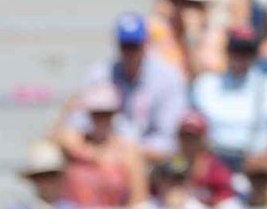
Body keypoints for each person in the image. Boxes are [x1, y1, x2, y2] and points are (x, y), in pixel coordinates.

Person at [63, 13, 190, 162]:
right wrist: (98, 154)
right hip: (102, 159)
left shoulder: (168, 78)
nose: (130, 53)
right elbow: (76, 125)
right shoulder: (100, 75)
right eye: (125, 47)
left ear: (145, 44)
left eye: (134, 46)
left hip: (151, 163)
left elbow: (169, 139)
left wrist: (126, 153)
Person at [192, 27, 267, 165]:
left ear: (255, 54)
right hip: (214, 160)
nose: (241, 57)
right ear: (228, 51)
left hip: (255, 163)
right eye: (237, 51)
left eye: (247, 52)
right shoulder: (206, 84)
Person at [56, 82, 150, 209]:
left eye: (106, 114)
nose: (101, 119)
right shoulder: (77, 145)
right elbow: (52, 139)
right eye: (96, 114)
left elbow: (138, 199)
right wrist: (69, 110)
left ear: (114, 115)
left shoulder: (128, 151)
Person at [177, 111, 238, 204]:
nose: (189, 142)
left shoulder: (216, 168)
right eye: (184, 136)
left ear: (203, 138)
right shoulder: (171, 164)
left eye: (193, 137)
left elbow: (226, 195)